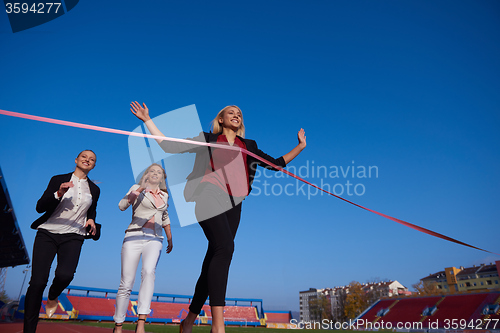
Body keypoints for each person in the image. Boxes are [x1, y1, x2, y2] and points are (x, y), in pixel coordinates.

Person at [130, 102, 306, 333]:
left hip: (234, 204)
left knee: (214, 260)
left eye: (239, 114)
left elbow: (275, 164)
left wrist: (300, 146)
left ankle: (188, 322)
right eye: (230, 113)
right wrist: (147, 120)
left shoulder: (248, 145)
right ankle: (218, 326)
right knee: (225, 248)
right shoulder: (208, 139)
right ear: (220, 120)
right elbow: (170, 146)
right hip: (207, 195)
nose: (236, 115)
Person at [24, 150, 100, 333]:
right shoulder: (58, 179)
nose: (87, 160)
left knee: (65, 275)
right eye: (84, 157)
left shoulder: (95, 189)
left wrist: (91, 219)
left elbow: (92, 210)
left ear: (94, 165)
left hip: (74, 235)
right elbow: (39, 207)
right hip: (48, 233)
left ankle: (53, 295)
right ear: (76, 160)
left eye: (92, 159)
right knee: (37, 283)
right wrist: (58, 192)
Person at [113, 163, 173, 333]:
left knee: (148, 272)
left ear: (162, 178)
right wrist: (139, 188)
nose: (155, 173)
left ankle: (141, 323)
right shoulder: (136, 188)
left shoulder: (165, 195)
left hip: (154, 238)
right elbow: (122, 206)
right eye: (152, 171)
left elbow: (165, 216)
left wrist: (169, 237)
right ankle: (118, 325)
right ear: (146, 175)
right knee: (127, 282)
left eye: (159, 172)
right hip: (133, 237)